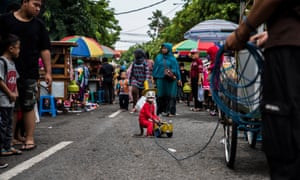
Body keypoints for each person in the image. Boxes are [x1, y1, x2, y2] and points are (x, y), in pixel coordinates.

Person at [225, 0, 300, 178]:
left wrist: (242, 32)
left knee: (285, 146)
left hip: (289, 52)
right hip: (287, 39)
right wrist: (271, 33)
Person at [0, 0, 52, 151]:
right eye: (35, 4)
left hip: (29, 72)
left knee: (29, 105)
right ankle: (8, 141)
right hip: (6, 71)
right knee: (11, 107)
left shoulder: (39, 25)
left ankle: (29, 138)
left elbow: (45, 49)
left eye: (39, 6)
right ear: (24, 2)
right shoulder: (4, 20)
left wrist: (48, 72)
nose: (38, 8)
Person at [152, 43, 181, 116]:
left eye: (165, 48)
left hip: (170, 80)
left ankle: (170, 111)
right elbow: (155, 68)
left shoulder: (172, 58)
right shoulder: (158, 57)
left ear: (169, 49)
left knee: (171, 95)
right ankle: (160, 111)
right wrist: (154, 78)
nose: (163, 50)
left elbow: (176, 69)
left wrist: (179, 79)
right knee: (160, 95)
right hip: (160, 79)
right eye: (162, 48)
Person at [128, 48, 150, 113]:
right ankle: (134, 106)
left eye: (136, 53)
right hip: (135, 80)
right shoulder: (134, 62)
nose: (135, 55)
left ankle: (140, 107)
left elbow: (147, 72)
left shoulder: (144, 62)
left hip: (143, 81)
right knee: (134, 91)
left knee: (141, 95)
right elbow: (131, 72)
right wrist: (130, 80)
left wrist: (146, 81)